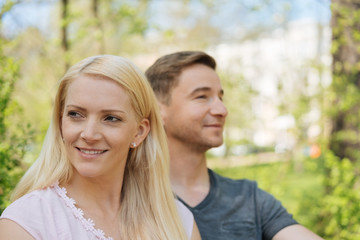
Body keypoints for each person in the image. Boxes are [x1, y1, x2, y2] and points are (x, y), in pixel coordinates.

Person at [0, 55, 201, 240]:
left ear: (139, 132)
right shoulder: (27, 222)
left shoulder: (178, 221)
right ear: (60, 121)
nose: (89, 134)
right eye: (76, 114)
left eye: (111, 118)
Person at [145, 51, 324, 240]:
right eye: (202, 96)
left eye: (220, 98)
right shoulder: (129, 200)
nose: (222, 110)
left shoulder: (248, 199)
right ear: (158, 111)